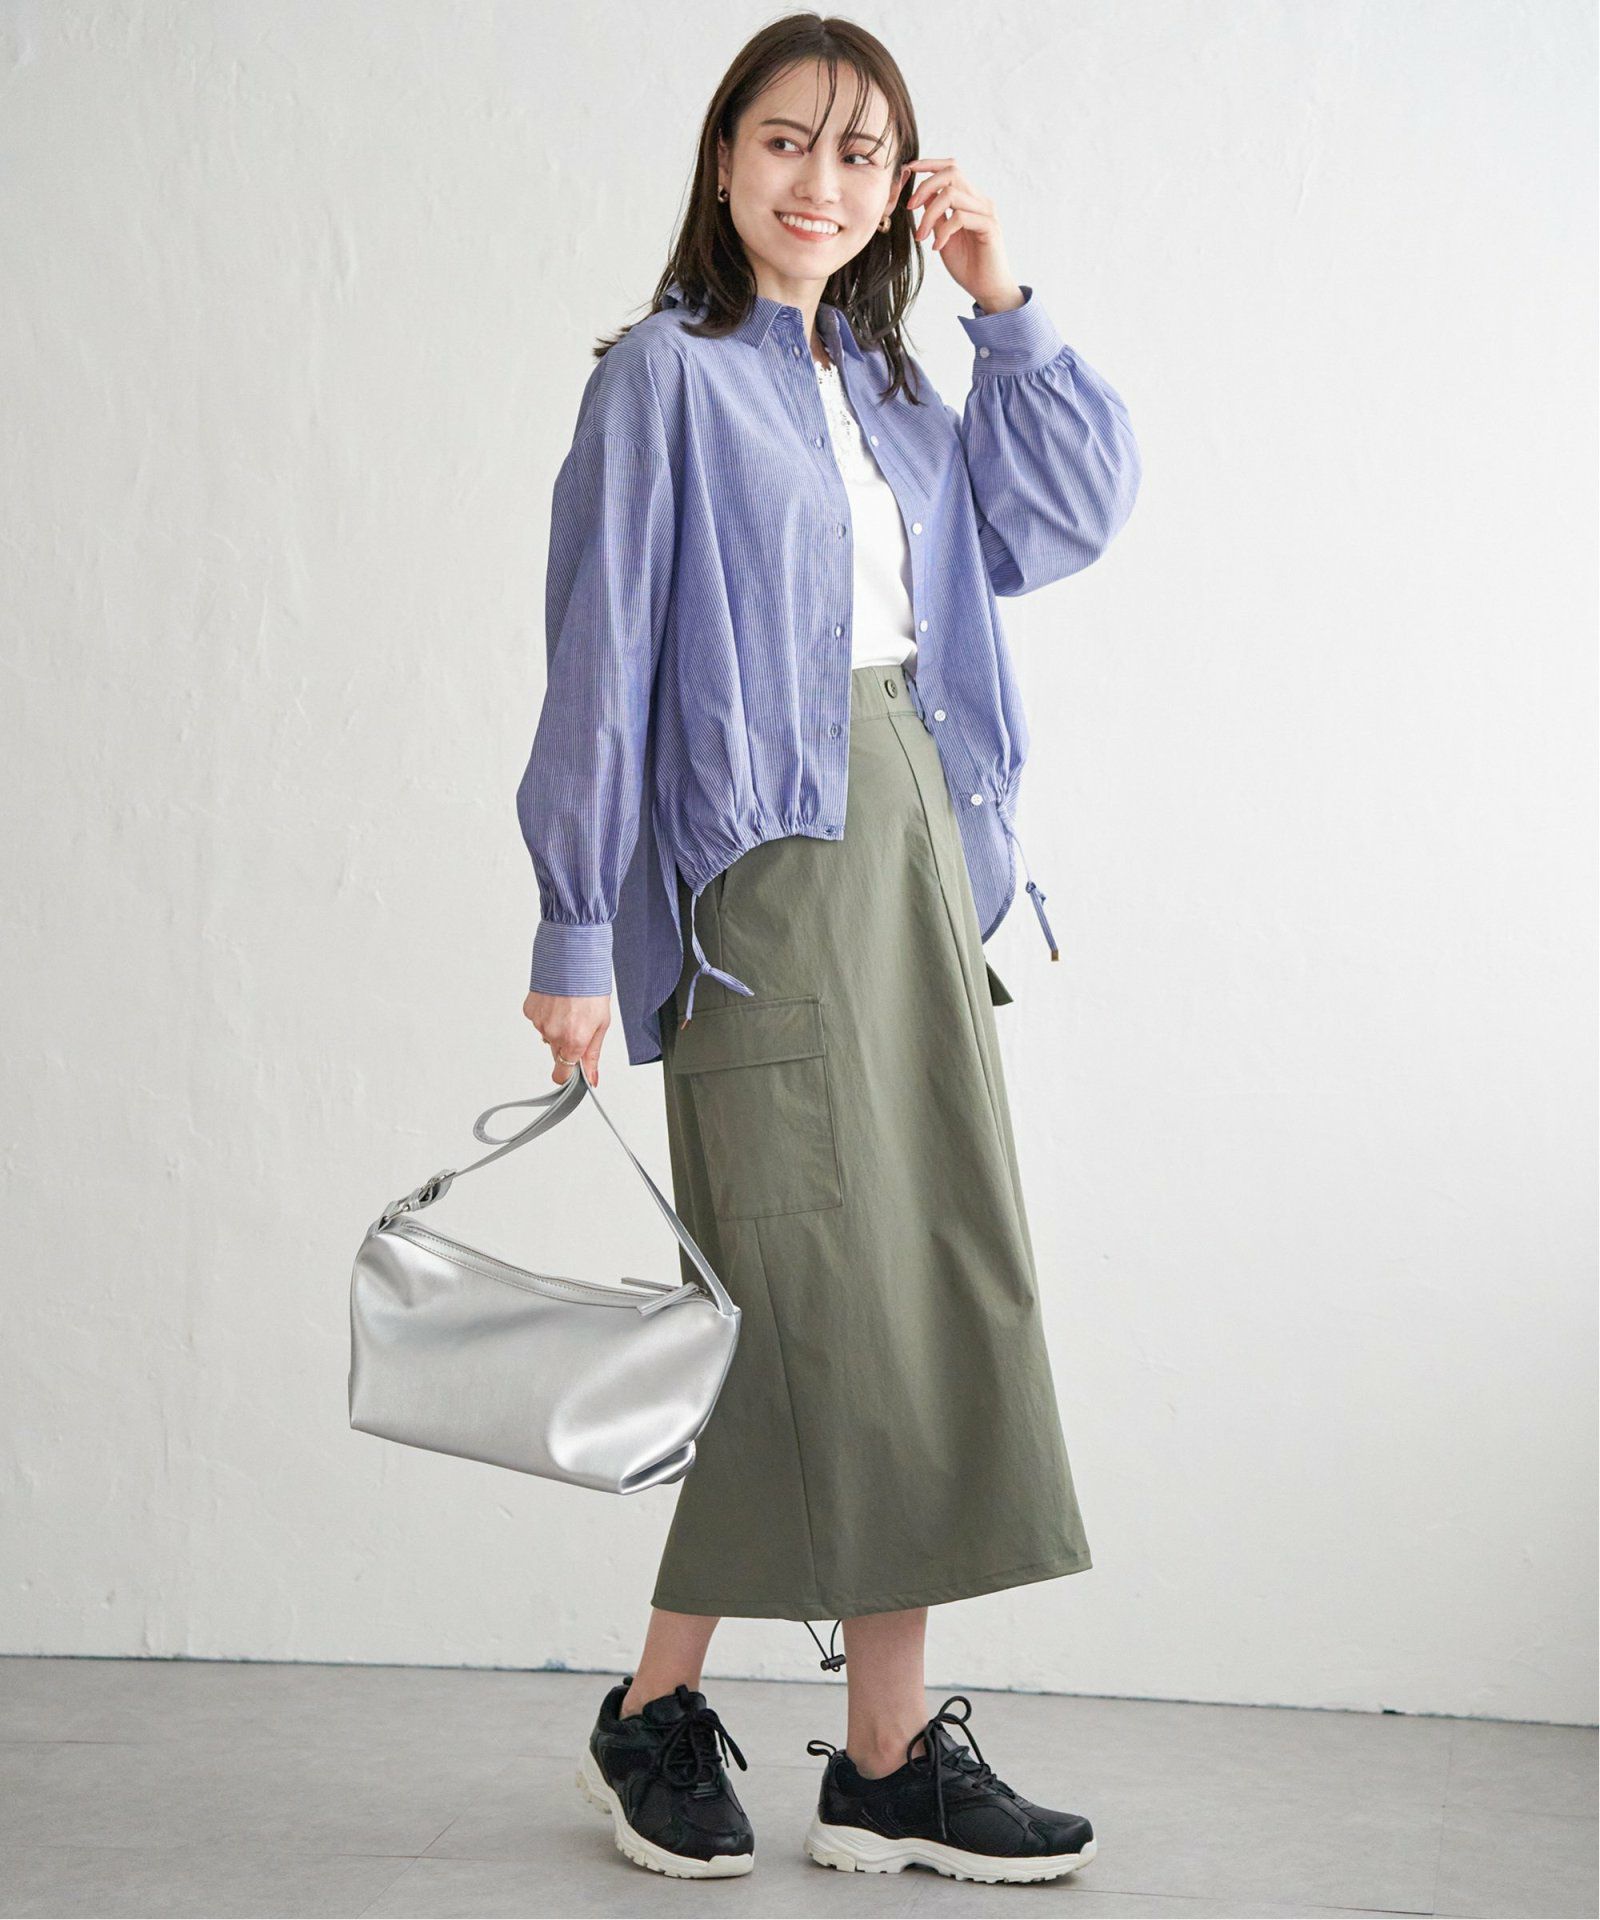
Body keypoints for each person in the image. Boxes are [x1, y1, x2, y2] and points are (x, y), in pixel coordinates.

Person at [516, 10, 1141, 1886]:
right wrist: (572, 922)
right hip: (762, 890)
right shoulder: (663, 381)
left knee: (923, 1293)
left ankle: (881, 1758)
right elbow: (600, 657)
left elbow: (1066, 516)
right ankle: (659, 1713)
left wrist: (999, 295)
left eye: (862, 152)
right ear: (726, 159)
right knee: (794, 1309)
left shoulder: (892, 385)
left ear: (897, 188)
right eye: (788, 140)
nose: (821, 181)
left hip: (923, 859)